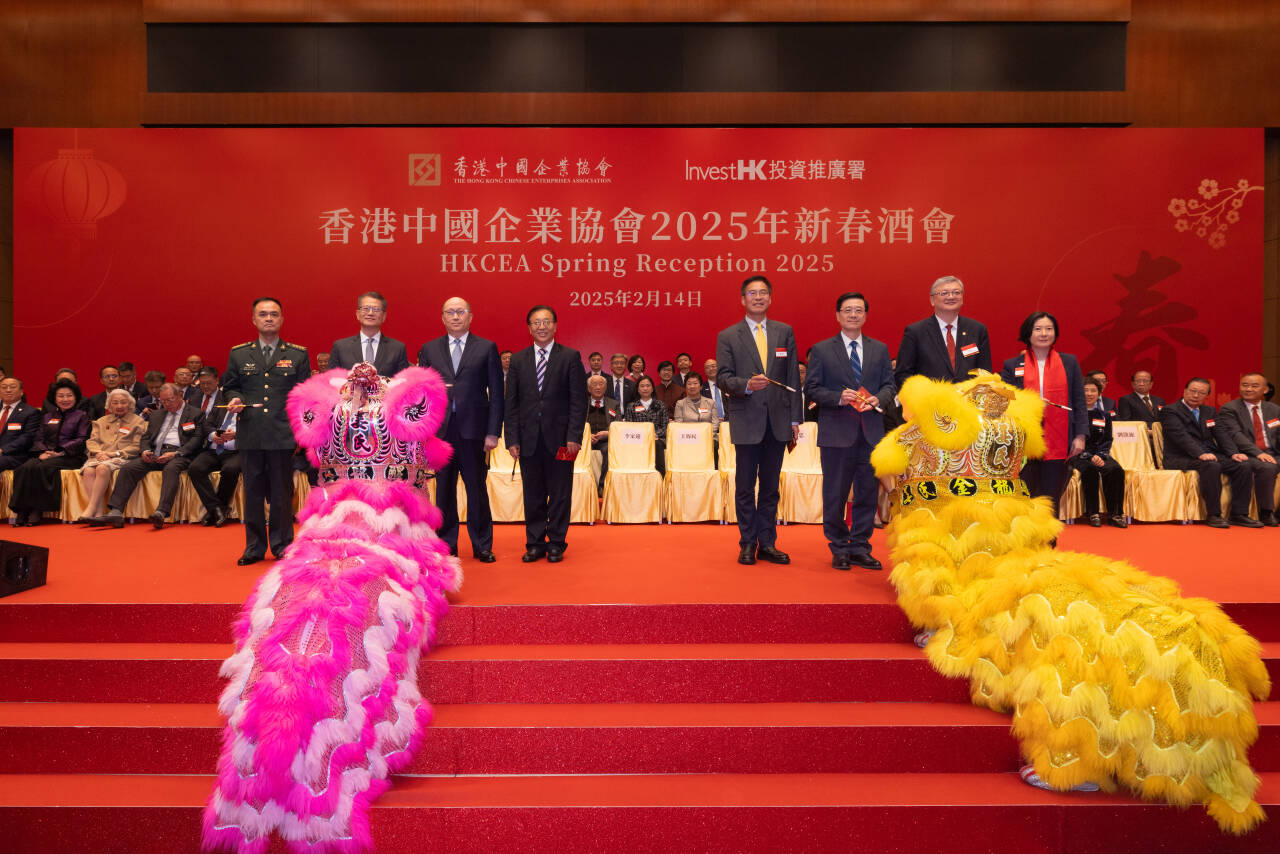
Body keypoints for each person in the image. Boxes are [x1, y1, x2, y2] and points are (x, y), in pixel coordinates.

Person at [871, 372, 1270, 835]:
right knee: (1080, 603)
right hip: (1018, 543)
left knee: (1045, 625)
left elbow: (901, 507)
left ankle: (1071, 754)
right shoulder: (1009, 433)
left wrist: (940, 617)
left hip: (971, 560)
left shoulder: (913, 453)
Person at [203, 363, 459, 854]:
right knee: (309, 607)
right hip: (361, 535)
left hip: (361, 531)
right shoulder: (396, 411)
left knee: (335, 606)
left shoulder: (333, 404)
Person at [806, 291, 895, 570]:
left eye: (858, 310)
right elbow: (811, 388)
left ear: (865, 315)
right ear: (838, 315)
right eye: (847, 310)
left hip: (870, 432)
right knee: (835, 494)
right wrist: (837, 397)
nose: (853, 314)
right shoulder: (822, 350)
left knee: (867, 493)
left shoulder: (879, 349)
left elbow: (889, 386)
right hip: (836, 434)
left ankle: (860, 546)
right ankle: (839, 546)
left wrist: (878, 399)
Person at [716, 275, 800, 565]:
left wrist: (795, 419)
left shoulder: (784, 332)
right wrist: (747, 385)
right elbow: (723, 378)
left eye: (763, 292)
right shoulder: (728, 336)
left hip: (778, 421)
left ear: (770, 298)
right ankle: (747, 543)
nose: (758, 297)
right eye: (752, 293)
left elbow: (792, 377)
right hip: (747, 420)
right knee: (744, 486)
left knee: (770, 488)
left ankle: (768, 543)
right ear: (743, 299)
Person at [222, 297, 312, 564]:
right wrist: (235, 398)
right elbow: (231, 386)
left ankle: (282, 545)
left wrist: (301, 430)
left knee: (281, 493)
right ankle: (254, 547)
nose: (269, 318)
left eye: (274, 314)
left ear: (282, 319)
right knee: (252, 493)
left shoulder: (297, 354)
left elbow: (305, 394)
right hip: (251, 432)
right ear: (254, 319)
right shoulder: (239, 353)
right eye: (263, 314)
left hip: (282, 433)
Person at [417, 296, 502, 562]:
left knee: (476, 489)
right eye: (450, 312)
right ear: (443, 317)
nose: (455, 316)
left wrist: (493, 432)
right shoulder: (429, 349)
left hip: (474, 431)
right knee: (443, 490)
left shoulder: (486, 347)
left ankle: (482, 544)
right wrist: (423, 430)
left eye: (461, 312)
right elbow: (421, 392)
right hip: (440, 432)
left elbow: (496, 393)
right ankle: (446, 543)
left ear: (470, 316)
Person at [504, 305, 586, 563]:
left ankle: (557, 542)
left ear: (555, 326)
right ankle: (535, 543)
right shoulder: (518, 360)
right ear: (529, 328)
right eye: (536, 322)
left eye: (546, 321)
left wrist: (574, 436)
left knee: (561, 492)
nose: (541, 326)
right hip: (528, 440)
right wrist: (512, 439)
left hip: (563, 441)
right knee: (533, 493)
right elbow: (511, 403)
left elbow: (578, 401)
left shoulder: (570, 357)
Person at [999, 311, 1087, 510]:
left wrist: (1080, 435)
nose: (1044, 333)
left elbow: (1079, 401)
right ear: (1028, 333)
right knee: (1024, 496)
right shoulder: (1012, 365)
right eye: (1038, 329)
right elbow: (1005, 400)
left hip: (1059, 436)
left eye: (1049, 329)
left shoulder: (1069, 362)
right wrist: (1030, 403)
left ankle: (1049, 531)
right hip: (1024, 439)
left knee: (1050, 498)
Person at [88, 383, 206, 529]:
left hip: (179, 453)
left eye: (170, 400)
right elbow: (146, 437)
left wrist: (176, 453)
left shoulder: (195, 413)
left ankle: (161, 512)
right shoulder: (157, 414)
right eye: (163, 401)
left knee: (171, 469)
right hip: (155, 452)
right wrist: (145, 451)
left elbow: (197, 439)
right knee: (129, 468)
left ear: (180, 395)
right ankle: (116, 511)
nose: (167, 404)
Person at [1158, 377, 1259, 528]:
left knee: (1243, 465)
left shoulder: (1209, 411)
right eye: (1193, 391)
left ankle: (1239, 514)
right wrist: (1200, 454)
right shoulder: (1170, 411)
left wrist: (1233, 453)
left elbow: (1221, 434)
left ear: (1207, 395)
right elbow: (1180, 436)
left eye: (1201, 393)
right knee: (1211, 465)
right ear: (1185, 391)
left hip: (1210, 454)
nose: (1196, 395)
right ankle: (1213, 514)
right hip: (1180, 456)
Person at [9, 378, 89, 525]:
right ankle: (22, 509)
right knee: (24, 468)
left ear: (75, 397)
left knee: (42, 467)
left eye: (69, 395)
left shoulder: (81, 416)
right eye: (61, 396)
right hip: (46, 455)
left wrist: (61, 451)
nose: (65, 399)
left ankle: (37, 510)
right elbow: (38, 437)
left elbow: (82, 439)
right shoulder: (47, 416)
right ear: (54, 398)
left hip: (71, 456)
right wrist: (43, 452)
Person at [894, 275, 991, 388]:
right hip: (930, 398)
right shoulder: (915, 332)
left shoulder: (977, 330)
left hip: (968, 398)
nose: (951, 296)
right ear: (932, 300)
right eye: (944, 293)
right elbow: (903, 375)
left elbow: (985, 373)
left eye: (956, 292)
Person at [1215, 372, 1279, 527]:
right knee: (1267, 467)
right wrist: (1258, 453)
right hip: (1246, 454)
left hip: (1273, 452)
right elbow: (1236, 435)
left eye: (1254, 386)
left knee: (1269, 463)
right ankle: (1266, 512)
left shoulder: (1274, 409)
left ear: (1265, 390)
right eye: (1245, 385)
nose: (1248, 389)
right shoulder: (1230, 409)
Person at [77, 388, 145, 521]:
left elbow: (136, 446)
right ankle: (98, 513)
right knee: (88, 471)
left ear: (130, 404)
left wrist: (114, 453)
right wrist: (98, 453)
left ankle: (91, 508)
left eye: (123, 402)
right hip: (100, 456)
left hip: (122, 457)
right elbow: (92, 441)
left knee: (102, 468)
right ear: (109, 405)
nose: (119, 406)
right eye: (115, 403)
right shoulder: (101, 421)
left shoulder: (138, 421)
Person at [1069, 377, 1127, 528]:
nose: (1089, 394)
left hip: (1100, 453)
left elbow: (1107, 439)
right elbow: (1070, 439)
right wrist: (1088, 456)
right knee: (1090, 470)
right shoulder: (1072, 414)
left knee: (1116, 470)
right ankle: (1093, 513)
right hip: (1078, 454)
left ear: (1099, 393)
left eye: (1093, 390)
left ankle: (1115, 514)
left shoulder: (1104, 415)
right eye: (1085, 390)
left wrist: (1100, 455)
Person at [327, 290, 411, 375]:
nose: (370, 313)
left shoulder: (397, 348)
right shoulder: (340, 347)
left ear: (384, 316)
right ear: (358, 314)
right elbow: (331, 379)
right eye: (366, 308)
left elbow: (404, 381)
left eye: (376, 309)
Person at [623, 375, 670, 477]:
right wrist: (644, 436)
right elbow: (629, 426)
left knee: (656, 444)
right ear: (638, 389)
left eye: (648, 386)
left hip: (657, 438)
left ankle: (660, 477)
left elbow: (666, 426)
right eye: (642, 386)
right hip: (637, 438)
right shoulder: (631, 406)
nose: (645, 388)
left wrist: (655, 434)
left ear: (652, 388)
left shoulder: (660, 405)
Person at [0, 377, 42, 473]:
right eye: (4, 387)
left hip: (15, 455)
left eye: (12, 387)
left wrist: (2, 450)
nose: (8, 390)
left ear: (21, 392)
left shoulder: (31, 412)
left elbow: (27, 437)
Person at [585, 374, 619, 494]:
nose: (598, 387)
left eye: (601, 384)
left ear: (605, 387)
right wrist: (586, 435)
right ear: (589, 388)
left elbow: (618, 424)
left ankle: (602, 486)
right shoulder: (581, 402)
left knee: (610, 449)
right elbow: (575, 422)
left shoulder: (614, 404)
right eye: (594, 384)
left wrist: (608, 433)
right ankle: (582, 486)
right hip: (585, 439)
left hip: (605, 440)